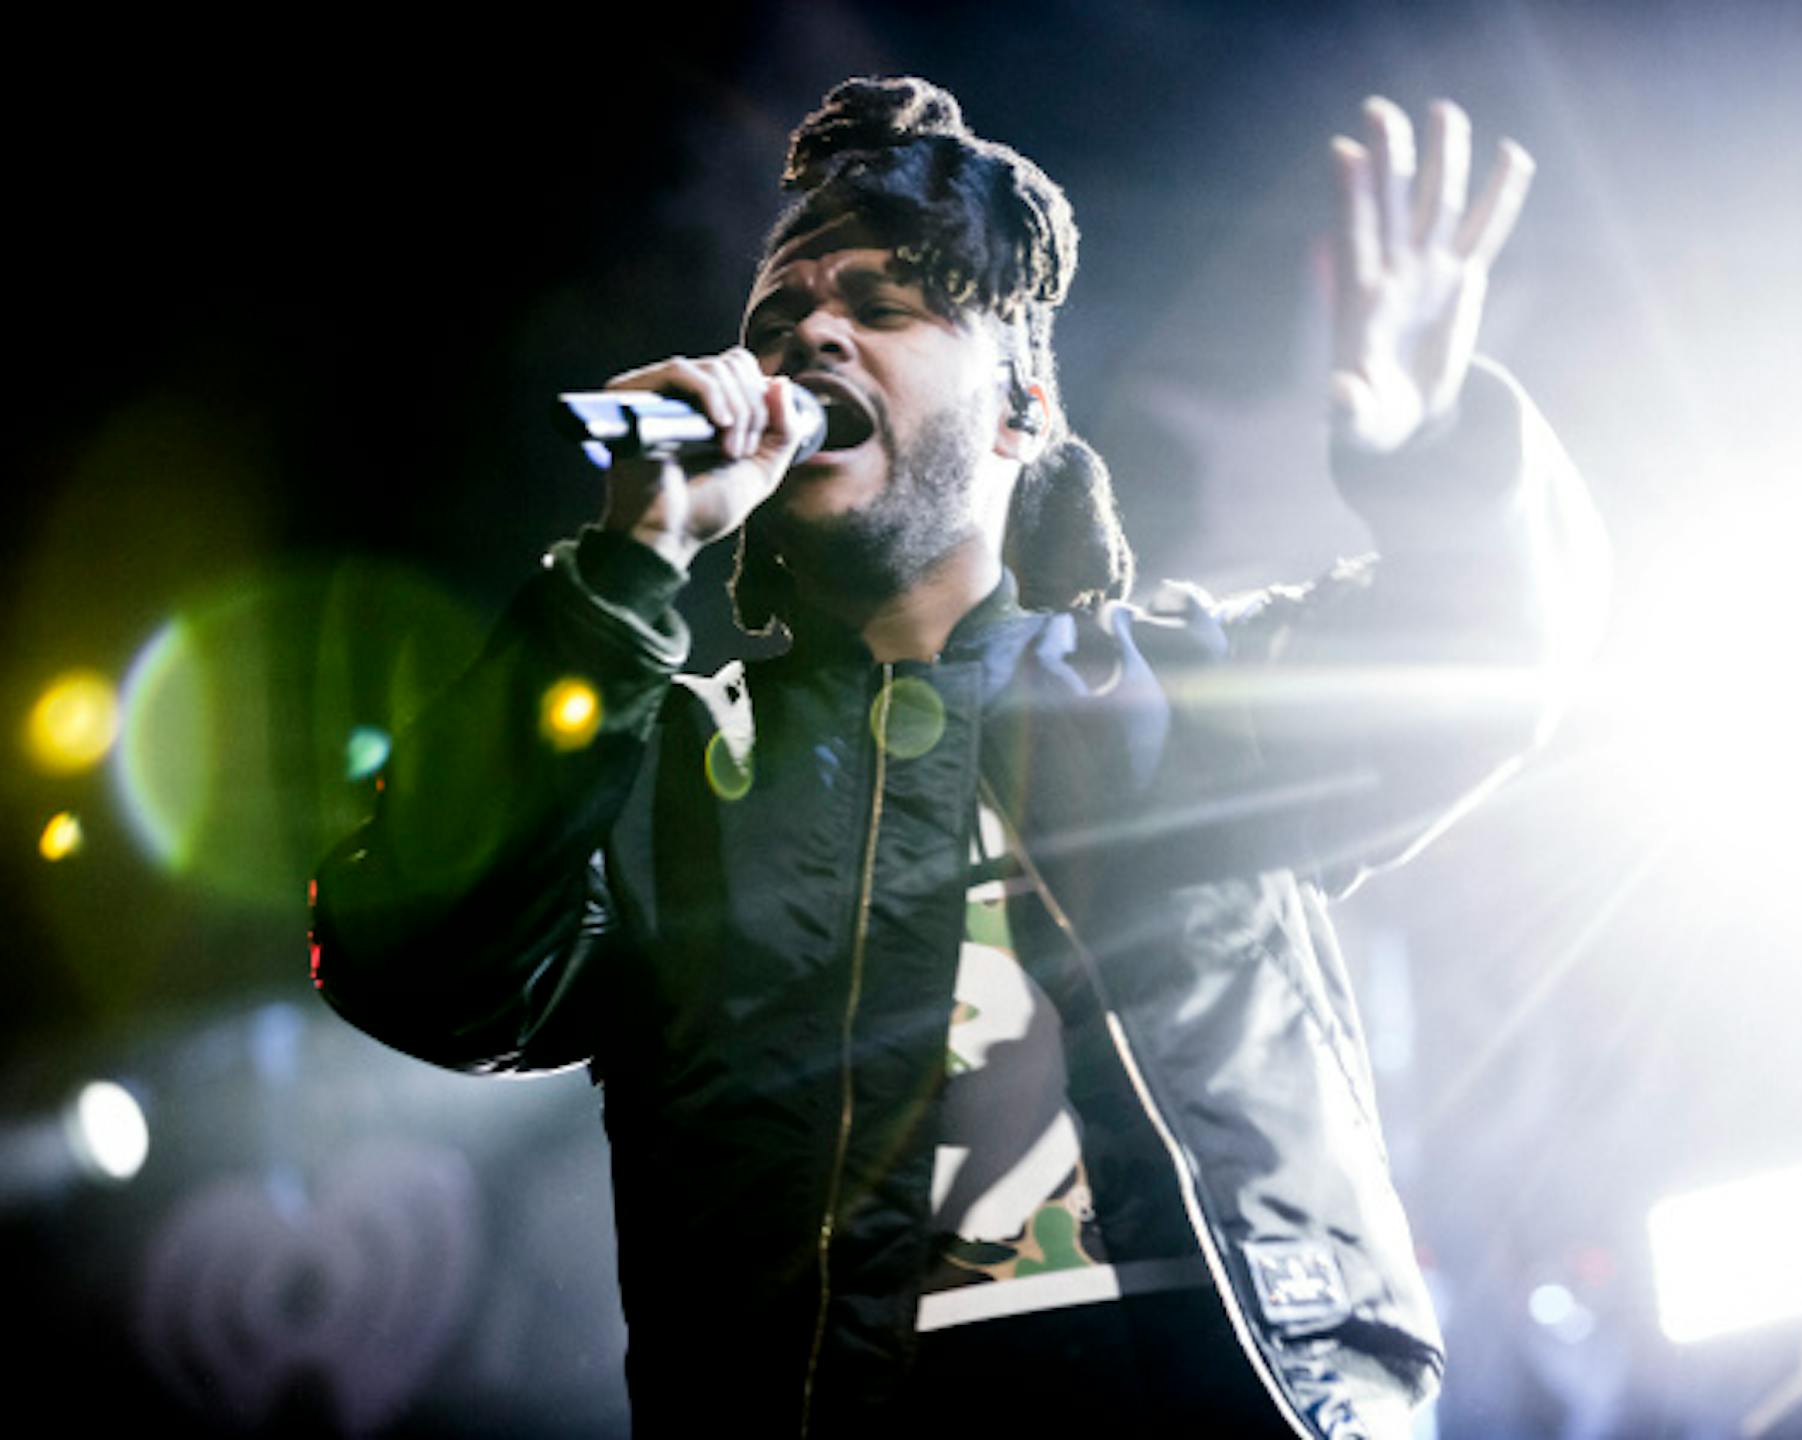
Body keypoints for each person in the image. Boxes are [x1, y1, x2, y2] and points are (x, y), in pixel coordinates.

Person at [309, 76, 1605, 1439]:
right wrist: (624, 577)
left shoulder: (1167, 689)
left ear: (1020, 405)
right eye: (780, 319)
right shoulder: (677, 768)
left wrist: (1431, 452)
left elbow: (1488, 658)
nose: (810, 332)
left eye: (880, 307)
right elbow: (419, 965)